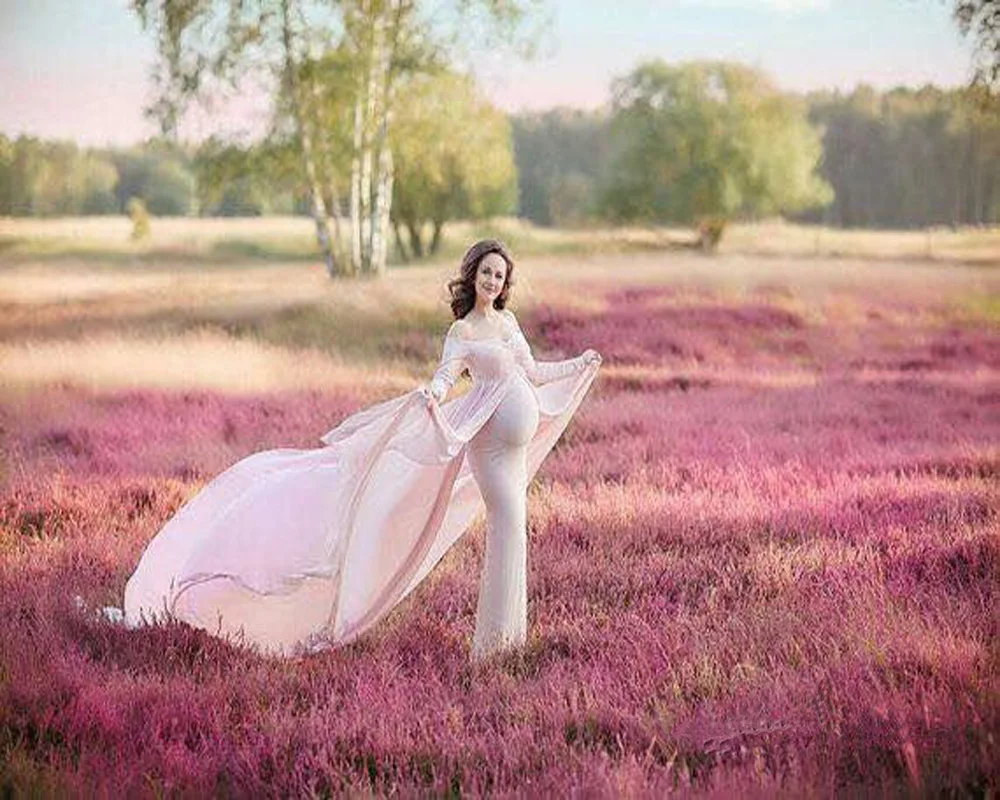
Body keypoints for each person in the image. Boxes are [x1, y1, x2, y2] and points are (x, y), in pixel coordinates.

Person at [101, 239, 602, 662]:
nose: (494, 281)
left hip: (513, 451)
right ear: (472, 277)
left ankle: (508, 641)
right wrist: (431, 393)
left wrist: (578, 364)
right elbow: (446, 376)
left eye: (501, 275)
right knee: (508, 526)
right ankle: (493, 647)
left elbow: (534, 373)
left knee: (515, 533)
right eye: (487, 273)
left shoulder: (508, 324)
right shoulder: (463, 332)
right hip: (489, 451)